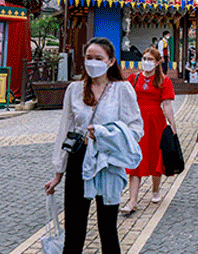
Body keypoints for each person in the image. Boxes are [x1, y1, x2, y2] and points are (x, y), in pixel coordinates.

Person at [45, 37, 143, 254]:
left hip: (108, 161)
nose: (92, 62)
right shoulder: (74, 90)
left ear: (110, 62)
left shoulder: (122, 89)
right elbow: (65, 131)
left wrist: (105, 135)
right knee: (74, 228)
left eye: (99, 58)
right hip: (78, 159)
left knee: (107, 228)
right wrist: (58, 174)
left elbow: (136, 129)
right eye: (89, 58)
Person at [121, 47, 177, 214]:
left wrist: (172, 126)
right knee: (134, 159)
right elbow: (125, 100)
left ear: (158, 62)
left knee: (155, 157)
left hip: (156, 123)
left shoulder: (164, 80)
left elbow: (167, 105)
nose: (146, 62)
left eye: (150, 59)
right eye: (144, 58)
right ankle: (132, 201)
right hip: (136, 123)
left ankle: (155, 189)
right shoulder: (133, 78)